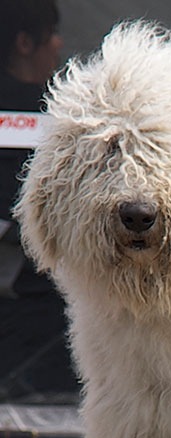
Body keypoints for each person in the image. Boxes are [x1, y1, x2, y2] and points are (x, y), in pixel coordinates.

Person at [0, 1, 76, 404]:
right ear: (25, 43)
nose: (61, 44)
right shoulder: (63, 114)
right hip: (42, 314)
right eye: (52, 34)